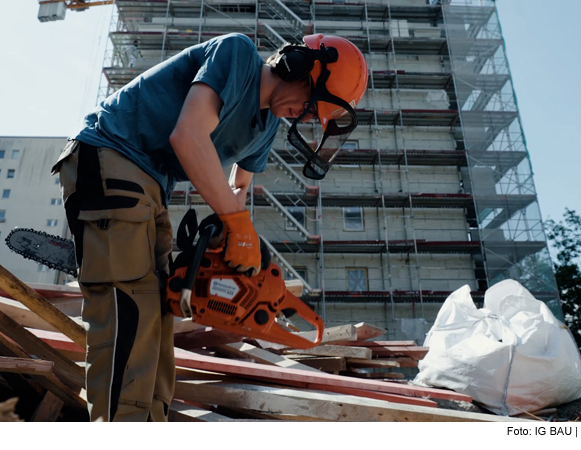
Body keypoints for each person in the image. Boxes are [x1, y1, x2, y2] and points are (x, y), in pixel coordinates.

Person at [51, 32, 368, 422]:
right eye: (310, 103)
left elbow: (239, 190)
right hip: (109, 153)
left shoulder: (266, 126)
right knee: (129, 309)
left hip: (151, 182)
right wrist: (237, 227)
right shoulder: (237, 55)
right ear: (298, 67)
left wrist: (237, 247)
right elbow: (188, 136)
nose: (303, 114)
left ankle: (150, 420)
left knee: (159, 312)